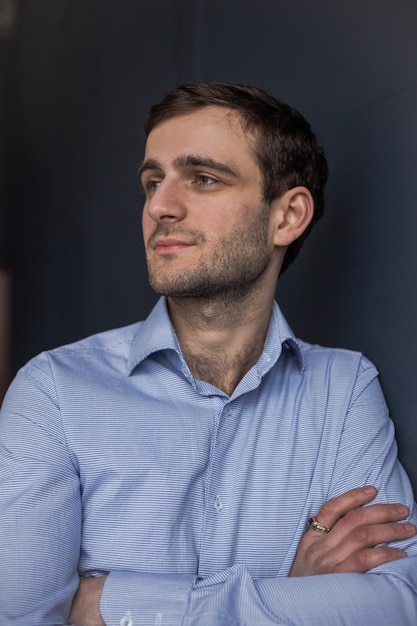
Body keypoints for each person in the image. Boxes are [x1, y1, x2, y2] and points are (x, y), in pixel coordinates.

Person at [1, 81, 416, 626]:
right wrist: (291, 596)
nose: (160, 205)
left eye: (202, 178)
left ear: (287, 216)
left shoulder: (344, 387)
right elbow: (19, 617)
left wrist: (113, 603)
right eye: (153, 181)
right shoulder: (54, 390)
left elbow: (392, 607)